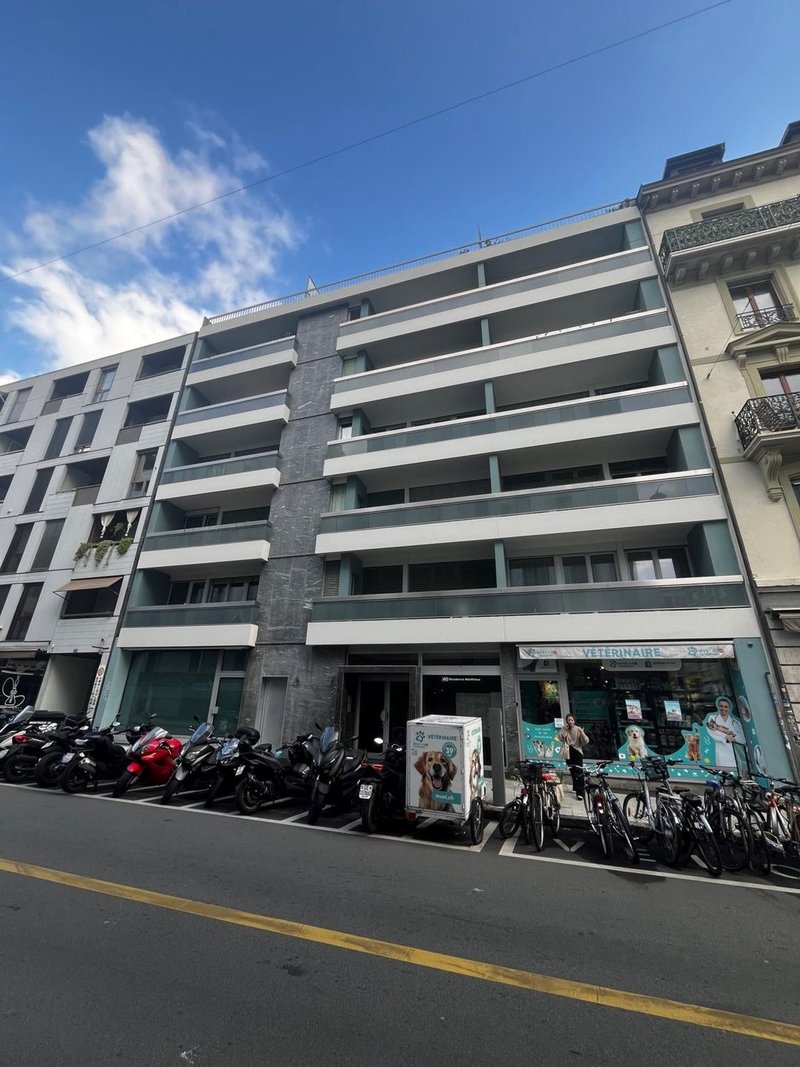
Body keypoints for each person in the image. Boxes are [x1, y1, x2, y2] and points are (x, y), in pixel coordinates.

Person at [705, 696, 745, 769]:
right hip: (721, 751)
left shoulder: (735, 722)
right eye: (721, 706)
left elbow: (742, 738)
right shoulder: (713, 718)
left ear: (729, 708)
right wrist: (725, 737)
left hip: (733, 752)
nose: (723, 708)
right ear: (718, 706)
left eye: (726, 707)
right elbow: (711, 732)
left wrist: (733, 738)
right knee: (722, 770)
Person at [558, 714, 590, 798]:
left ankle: (580, 793)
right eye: (569, 720)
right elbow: (560, 738)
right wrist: (564, 729)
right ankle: (576, 787)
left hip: (577, 751)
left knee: (579, 771)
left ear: (574, 721)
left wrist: (582, 732)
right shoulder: (565, 729)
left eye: (572, 720)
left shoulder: (578, 729)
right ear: (567, 721)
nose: (570, 721)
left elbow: (586, 741)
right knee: (572, 771)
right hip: (568, 752)